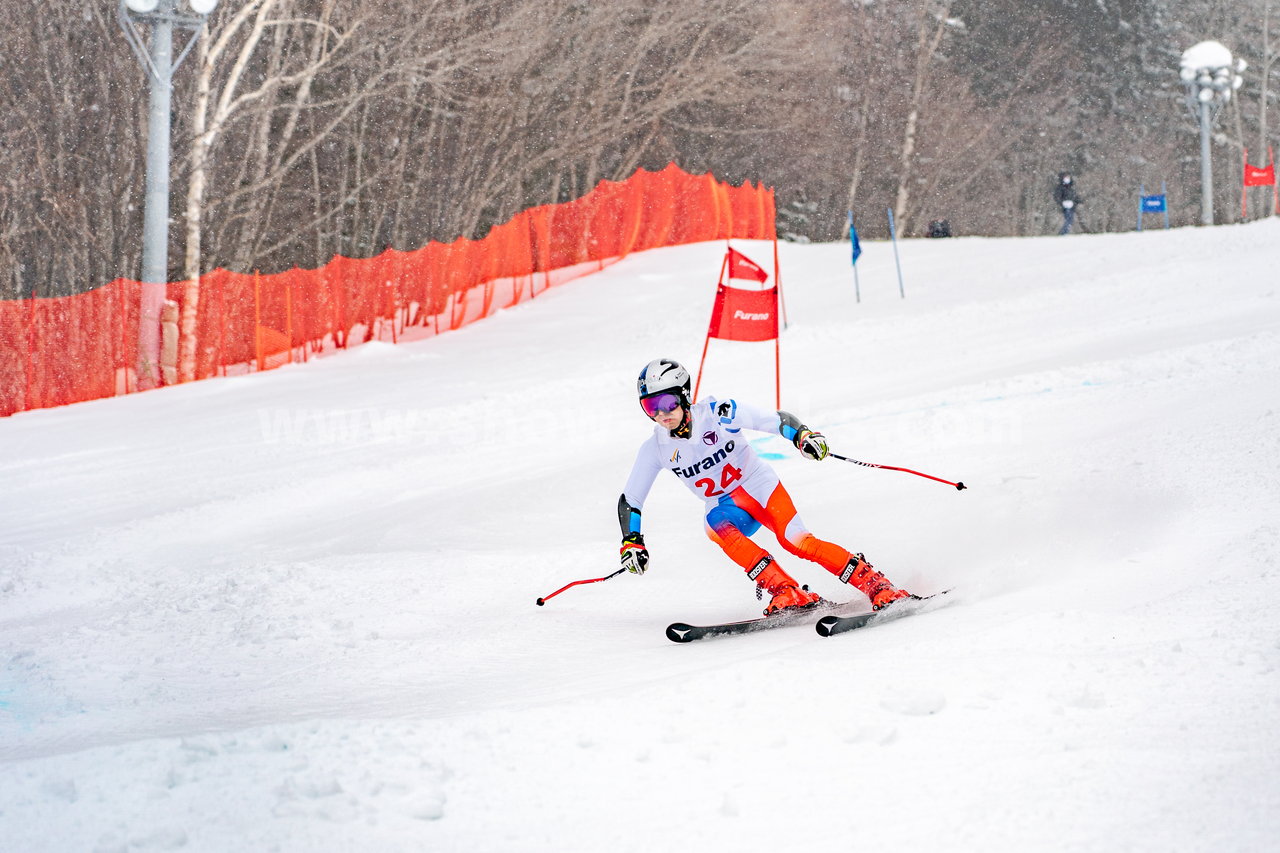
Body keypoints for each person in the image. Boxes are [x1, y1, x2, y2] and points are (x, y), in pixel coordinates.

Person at [617, 358, 914, 616]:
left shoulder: (718, 412)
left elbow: (775, 420)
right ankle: (785, 590)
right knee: (713, 526)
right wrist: (632, 541)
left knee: (797, 542)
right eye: (650, 406)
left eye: (667, 403)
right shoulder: (655, 448)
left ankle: (876, 584)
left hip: (759, 487)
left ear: (684, 395)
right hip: (726, 507)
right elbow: (631, 499)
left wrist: (803, 436)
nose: (661, 414)